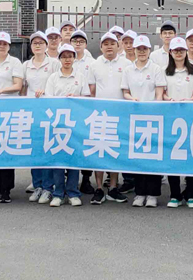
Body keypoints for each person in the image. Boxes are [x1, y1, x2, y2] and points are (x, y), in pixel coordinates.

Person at [123, 38, 166, 207]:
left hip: (153, 117)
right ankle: (140, 193)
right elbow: (125, 91)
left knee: (153, 155)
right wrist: (131, 98)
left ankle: (153, 194)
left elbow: (159, 92)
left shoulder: (156, 69)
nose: (141, 52)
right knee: (138, 154)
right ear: (134, 50)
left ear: (149, 50)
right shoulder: (128, 70)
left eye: (144, 49)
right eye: (138, 49)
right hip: (134, 116)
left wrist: (153, 107)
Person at [86, 31, 128, 204]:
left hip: (120, 114)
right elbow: (92, 90)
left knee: (114, 151)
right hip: (100, 114)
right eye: (106, 43)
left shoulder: (126, 64)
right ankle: (98, 188)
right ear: (101, 47)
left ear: (118, 46)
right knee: (99, 151)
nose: (109, 46)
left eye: (112, 43)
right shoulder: (94, 65)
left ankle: (113, 187)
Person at [43, 45, 87, 207]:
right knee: (58, 160)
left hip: (75, 124)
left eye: (70, 56)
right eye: (64, 56)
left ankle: (73, 192)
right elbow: (49, 98)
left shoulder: (81, 76)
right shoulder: (53, 78)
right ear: (59, 59)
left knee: (73, 160)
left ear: (74, 58)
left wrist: (76, 97)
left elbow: (87, 98)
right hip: (58, 124)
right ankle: (58, 193)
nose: (67, 59)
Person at [0, 32, 24, 202]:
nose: (1, 46)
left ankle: (6, 189)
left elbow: (18, 85)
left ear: (9, 46)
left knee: (6, 149)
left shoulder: (14, 62)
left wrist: (1, 91)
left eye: (4, 44)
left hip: (9, 110)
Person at [163, 38, 193, 208]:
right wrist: (168, 99)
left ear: (186, 52)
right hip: (171, 118)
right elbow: (162, 92)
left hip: (191, 118)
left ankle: (192, 195)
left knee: (192, 156)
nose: (178, 53)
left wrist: (190, 99)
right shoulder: (165, 72)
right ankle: (174, 195)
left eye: (181, 50)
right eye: (175, 50)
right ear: (170, 52)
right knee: (173, 157)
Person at [22, 31, 59, 204]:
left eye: (41, 43)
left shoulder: (54, 64)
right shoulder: (26, 65)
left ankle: (48, 187)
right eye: (34, 43)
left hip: (49, 111)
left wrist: (46, 92)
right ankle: (37, 185)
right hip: (32, 111)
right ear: (31, 47)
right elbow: (23, 88)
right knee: (35, 148)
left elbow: (59, 83)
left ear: (46, 45)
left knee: (48, 148)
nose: (38, 45)